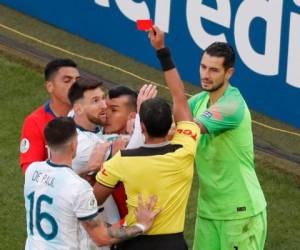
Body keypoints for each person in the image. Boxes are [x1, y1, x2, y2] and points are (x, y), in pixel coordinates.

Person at [149, 27, 267, 249]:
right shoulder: (199, 100)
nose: (205, 74)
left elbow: (187, 128)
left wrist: (163, 53)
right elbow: (176, 120)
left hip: (240, 213)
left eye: (214, 70)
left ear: (228, 73)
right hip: (209, 211)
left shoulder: (232, 106)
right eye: (203, 67)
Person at [92, 27, 200, 250]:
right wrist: (162, 51)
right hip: (173, 245)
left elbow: (93, 203)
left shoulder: (122, 160)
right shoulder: (186, 149)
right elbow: (180, 99)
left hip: (134, 241)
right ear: (171, 124)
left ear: (141, 127)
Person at [24, 117, 160, 250]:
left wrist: (87, 170)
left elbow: (58, 182)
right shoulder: (79, 188)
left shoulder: (33, 170)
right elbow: (101, 238)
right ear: (73, 144)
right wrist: (140, 226)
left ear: (48, 145)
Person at [68, 78, 122, 250]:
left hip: (97, 210)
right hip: (88, 228)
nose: (104, 105)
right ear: (78, 109)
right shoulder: (83, 146)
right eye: (95, 101)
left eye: (102, 98)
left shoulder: (78, 119)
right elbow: (128, 155)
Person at [19, 58, 80, 174]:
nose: (75, 86)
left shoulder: (90, 112)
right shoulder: (35, 122)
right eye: (67, 81)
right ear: (50, 87)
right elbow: (30, 171)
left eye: (77, 80)